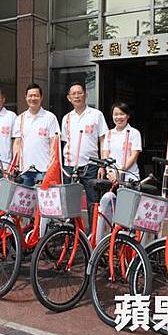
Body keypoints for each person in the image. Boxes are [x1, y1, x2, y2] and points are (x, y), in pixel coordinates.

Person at [60, 81, 108, 235]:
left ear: (86, 95)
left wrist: (103, 164)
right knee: (69, 202)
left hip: (91, 165)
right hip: (70, 165)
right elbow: (65, 142)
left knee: (93, 202)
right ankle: (71, 234)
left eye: (79, 93)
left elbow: (103, 140)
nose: (77, 96)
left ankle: (93, 236)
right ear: (68, 98)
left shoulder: (96, 115)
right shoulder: (66, 118)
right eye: (73, 94)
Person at [13, 83, 60, 186]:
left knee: (43, 201)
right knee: (25, 201)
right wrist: (16, 164)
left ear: (41, 97)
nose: (33, 98)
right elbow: (17, 143)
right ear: (26, 97)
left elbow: (54, 144)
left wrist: (51, 168)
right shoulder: (20, 119)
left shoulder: (50, 118)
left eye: (36, 95)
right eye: (30, 96)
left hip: (44, 170)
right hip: (25, 170)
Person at [102, 102, 142, 182]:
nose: (118, 117)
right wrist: (109, 171)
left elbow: (134, 156)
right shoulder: (109, 133)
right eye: (115, 114)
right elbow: (105, 154)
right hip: (111, 177)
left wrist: (118, 173)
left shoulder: (134, 133)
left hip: (130, 177)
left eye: (122, 114)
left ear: (128, 116)